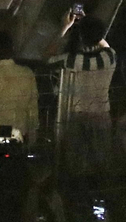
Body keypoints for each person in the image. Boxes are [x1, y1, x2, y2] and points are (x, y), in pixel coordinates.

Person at [48, 12, 116, 176]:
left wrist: (64, 27)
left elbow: (47, 57)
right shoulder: (110, 57)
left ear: (80, 36)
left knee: (75, 167)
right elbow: (105, 46)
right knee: (100, 166)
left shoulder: (72, 60)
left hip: (77, 118)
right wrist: (90, 27)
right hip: (102, 117)